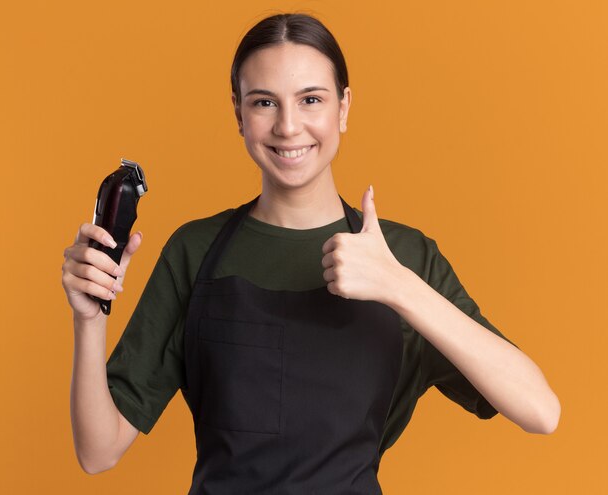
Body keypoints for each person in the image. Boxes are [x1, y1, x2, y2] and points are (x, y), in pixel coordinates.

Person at [62, 12, 560, 494]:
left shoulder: (403, 256)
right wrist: (90, 320)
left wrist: (399, 287)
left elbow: (540, 411)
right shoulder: (194, 252)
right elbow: (98, 451)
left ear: (343, 107)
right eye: (263, 103)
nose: (288, 126)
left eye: (311, 99)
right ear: (238, 114)